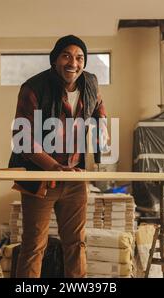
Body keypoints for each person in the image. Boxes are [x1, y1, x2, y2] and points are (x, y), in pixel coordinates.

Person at [8, 35, 107, 278]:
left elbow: (99, 108)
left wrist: (101, 126)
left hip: (74, 178)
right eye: (66, 55)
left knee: (76, 243)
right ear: (55, 61)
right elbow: (23, 137)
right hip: (40, 178)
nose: (73, 62)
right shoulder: (34, 88)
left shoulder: (90, 84)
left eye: (79, 57)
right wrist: (53, 167)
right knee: (34, 245)